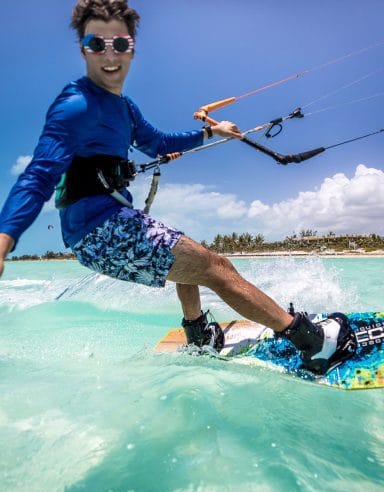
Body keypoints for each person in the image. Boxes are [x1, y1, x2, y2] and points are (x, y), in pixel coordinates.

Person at [0, 0, 356, 375]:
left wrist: (210, 131)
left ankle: (199, 334)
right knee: (217, 267)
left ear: (131, 48)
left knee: (190, 255)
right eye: (96, 43)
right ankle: (313, 344)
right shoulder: (76, 106)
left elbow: (159, 142)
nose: (110, 55)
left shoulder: (124, 109)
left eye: (119, 44)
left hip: (105, 228)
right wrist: (5, 239)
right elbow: (39, 174)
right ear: (83, 49)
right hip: (100, 231)